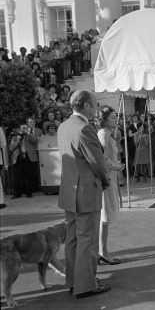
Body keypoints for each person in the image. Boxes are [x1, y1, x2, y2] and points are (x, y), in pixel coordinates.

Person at [58, 90, 111, 298]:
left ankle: (74, 282)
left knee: (73, 239)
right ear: (87, 106)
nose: (96, 109)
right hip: (86, 193)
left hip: (69, 193)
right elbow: (97, 162)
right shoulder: (85, 129)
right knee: (87, 240)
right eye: (95, 105)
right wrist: (105, 182)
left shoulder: (64, 126)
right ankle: (86, 285)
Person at [97, 106, 123, 266]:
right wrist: (114, 165)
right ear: (105, 120)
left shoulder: (108, 134)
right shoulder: (103, 135)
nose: (116, 120)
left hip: (109, 178)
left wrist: (114, 165)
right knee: (104, 217)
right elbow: (101, 156)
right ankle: (102, 252)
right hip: (106, 180)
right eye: (113, 118)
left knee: (105, 218)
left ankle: (102, 251)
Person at [10, 117, 42, 199]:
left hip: (29, 157)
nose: (23, 129)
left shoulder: (31, 134)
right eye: (22, 128)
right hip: (18, 157)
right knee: (17, 176)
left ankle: (29, 192)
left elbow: (35, 141)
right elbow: (11, 148)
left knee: (29, 176)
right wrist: (18, 140)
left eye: (24, 128)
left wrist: (27, 133)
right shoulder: (15, 136)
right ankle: (17, 193)